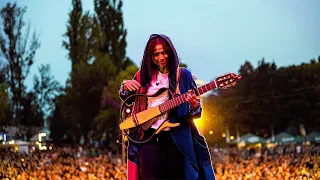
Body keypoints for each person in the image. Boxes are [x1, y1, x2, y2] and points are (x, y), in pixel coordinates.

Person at [119, 34, 216, 180]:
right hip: (148, 135)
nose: (161, 57)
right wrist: (124, 87)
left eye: (164, 52)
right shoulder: (142, 76)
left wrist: (194, 105)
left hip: (175, 136)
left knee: (175, 174)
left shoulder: (183, 76)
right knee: (148, 175)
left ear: (170, 52)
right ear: (150, 57)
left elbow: (196, 113)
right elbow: (128, 98)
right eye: (156, 54)